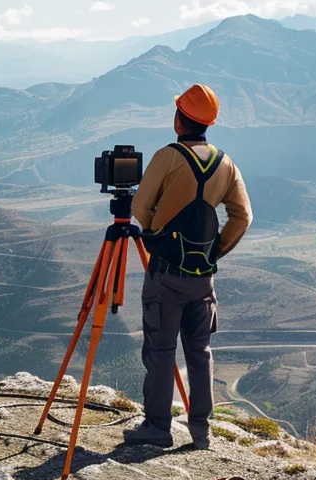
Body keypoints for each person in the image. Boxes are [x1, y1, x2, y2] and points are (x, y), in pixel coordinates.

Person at [123, 83, 253, 449]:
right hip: (203, 279)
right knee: (200, 352)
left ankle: (158, 427)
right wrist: (214, 252)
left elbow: (139, 208)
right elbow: (242, 217)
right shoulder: (226, 163)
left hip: (165, 273)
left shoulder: (167, 157)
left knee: (161, 352)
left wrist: (154, 232)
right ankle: (201, 430)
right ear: (208, 123)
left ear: (180, 120)